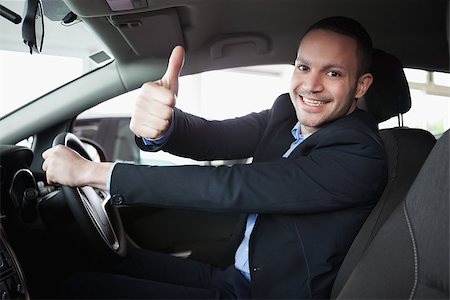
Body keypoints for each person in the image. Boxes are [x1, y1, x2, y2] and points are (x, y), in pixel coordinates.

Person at [42, 16, 387, 299]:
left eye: (333, 73)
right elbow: (214, 137)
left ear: (360, 85)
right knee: (103, 262)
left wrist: (92, 173)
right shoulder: (285, 114)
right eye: (303, 67)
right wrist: (161, 127)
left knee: (80, 289)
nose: (310, 85)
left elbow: (231, 186)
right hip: (233, 277)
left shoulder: (359, 154)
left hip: (264, 294)